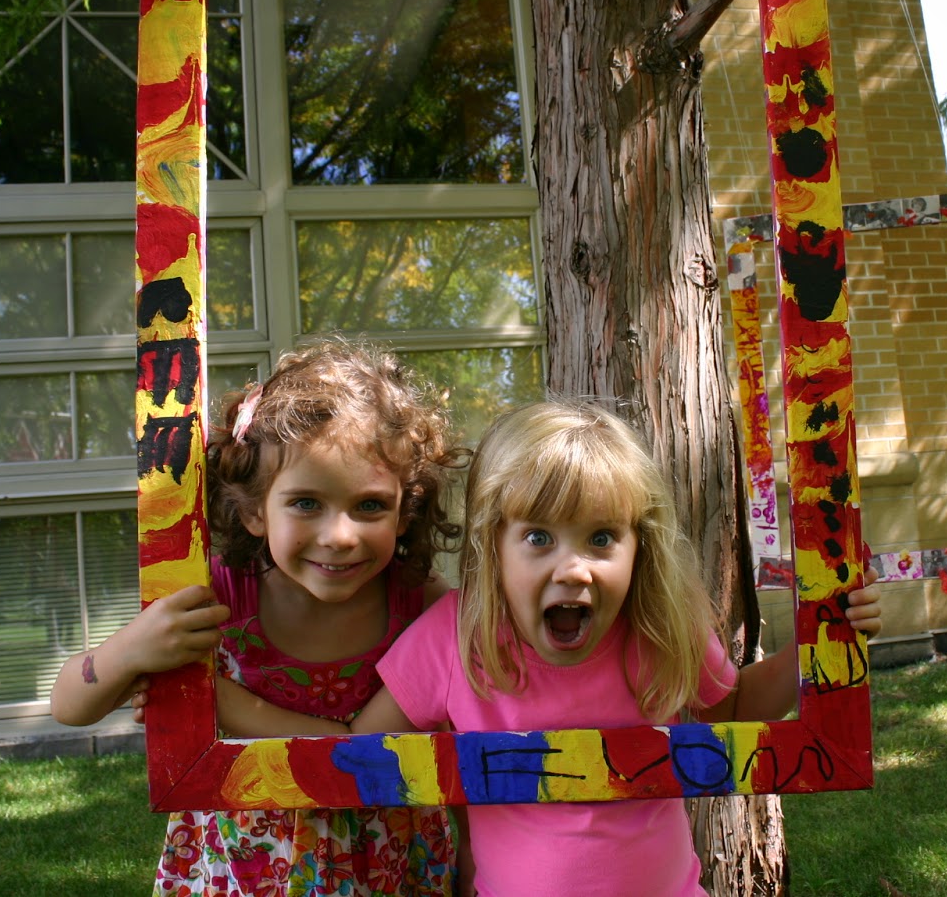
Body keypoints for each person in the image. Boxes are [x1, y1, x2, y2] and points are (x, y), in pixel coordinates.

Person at [216, 400, 882, 897]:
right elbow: (352, 753)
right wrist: (207, 697)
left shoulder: (658, 630)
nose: (574, 569)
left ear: (639, 546)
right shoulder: (454, 638)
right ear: (493, 545)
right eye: (538, 538)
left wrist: (822, 644)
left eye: (602, 539)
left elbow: (733, 710)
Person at [50, 338, 466, 897]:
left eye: (370, 505)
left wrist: (208, 696)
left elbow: (355, 751)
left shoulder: (421, 607)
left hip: (386, 859)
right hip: (245, 861)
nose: (339, 536)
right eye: (306, 503)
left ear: (404, 511)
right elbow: (68, 706)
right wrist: (128, 653)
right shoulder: (218, 597)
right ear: (254, 512)